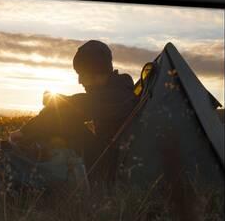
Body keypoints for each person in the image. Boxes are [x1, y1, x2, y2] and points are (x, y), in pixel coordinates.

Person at [9, 40, 138, 181]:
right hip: (111, 162)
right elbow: (81, 103)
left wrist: (25, 132)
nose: (79, 81)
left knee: (66, 122)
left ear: (96, 72)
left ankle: (26, 169)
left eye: (82, 74)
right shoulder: (117, 91)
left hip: (110, 170)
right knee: (63, 120)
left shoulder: (117, 96)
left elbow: (74, 107)